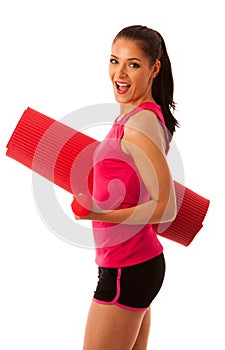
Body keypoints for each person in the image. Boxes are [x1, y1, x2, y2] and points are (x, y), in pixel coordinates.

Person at [73, 25, 179, 350]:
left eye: (133, 64)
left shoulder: (140, 124)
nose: (119, 73)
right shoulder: (132, 115)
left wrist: (100, 212)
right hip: (130, 264)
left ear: (154, 69)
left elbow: (166, 206)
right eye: (113, 60)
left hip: (126, 267)